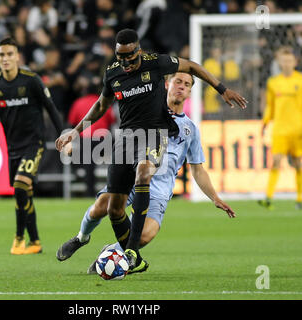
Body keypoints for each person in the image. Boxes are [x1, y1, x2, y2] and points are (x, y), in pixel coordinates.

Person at [55, 28, 246, 271]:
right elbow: (102, 104)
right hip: (127, 139)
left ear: (140, 52)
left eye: (130, 58)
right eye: (120, 57)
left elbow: (198, 169)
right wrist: (76, 130)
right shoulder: (114, 73)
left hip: (153, 143)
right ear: (167, 83)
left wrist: (221, 89)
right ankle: (84, 238)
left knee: (145, 173)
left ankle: (127, 251)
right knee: (108, 209)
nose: (125, 63)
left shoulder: (159, 69)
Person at [0, 37, 63, 254]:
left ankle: (18, 237)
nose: (6, 58)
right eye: (1, 55)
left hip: (33, 144)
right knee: (23, 192)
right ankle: (35, 242)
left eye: (10, 54)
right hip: (12, 147)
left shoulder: (31, 80)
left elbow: (50, 107)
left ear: (17, 56)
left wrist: (63, 135)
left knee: (20, 185)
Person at [258, 46, 302, 210]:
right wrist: (265, 122)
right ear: (280, 63)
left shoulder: (300, 80)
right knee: (275, 162)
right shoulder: (273, 83)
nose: (287, 64)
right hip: (280, 130)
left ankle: (300, 198)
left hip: (298, 129)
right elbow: (270, 106)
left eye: (290, 61)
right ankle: (268, 198)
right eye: (284, 61)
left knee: (298, 163)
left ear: (295, 62)